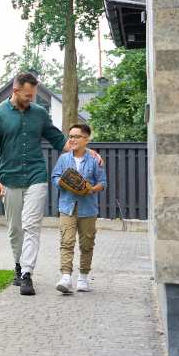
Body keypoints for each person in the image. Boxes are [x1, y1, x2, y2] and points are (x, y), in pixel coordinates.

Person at [0, 72, 97, 296]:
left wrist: (87, 151)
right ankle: (18, 264)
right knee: (15, 229)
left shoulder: (39, 114)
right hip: (10, 178)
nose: (31, 99)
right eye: (27, 95)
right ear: (15, 91)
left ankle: (27, 273)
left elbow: (60, 141)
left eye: (33, 95)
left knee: (32, 226)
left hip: (36, 176)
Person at [51, 122, 106, 294]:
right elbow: (55, 177)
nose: (73, 140)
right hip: (67, 207)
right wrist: (63, 183)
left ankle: (83, 278)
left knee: (87, 243)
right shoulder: (63, 159)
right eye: (71, 136)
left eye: (77, 136)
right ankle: (66, 277)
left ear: (86, 139)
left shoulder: (95, 160)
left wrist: (91, 189)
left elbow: (102, 183)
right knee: (66, 242)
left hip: (88, 208)